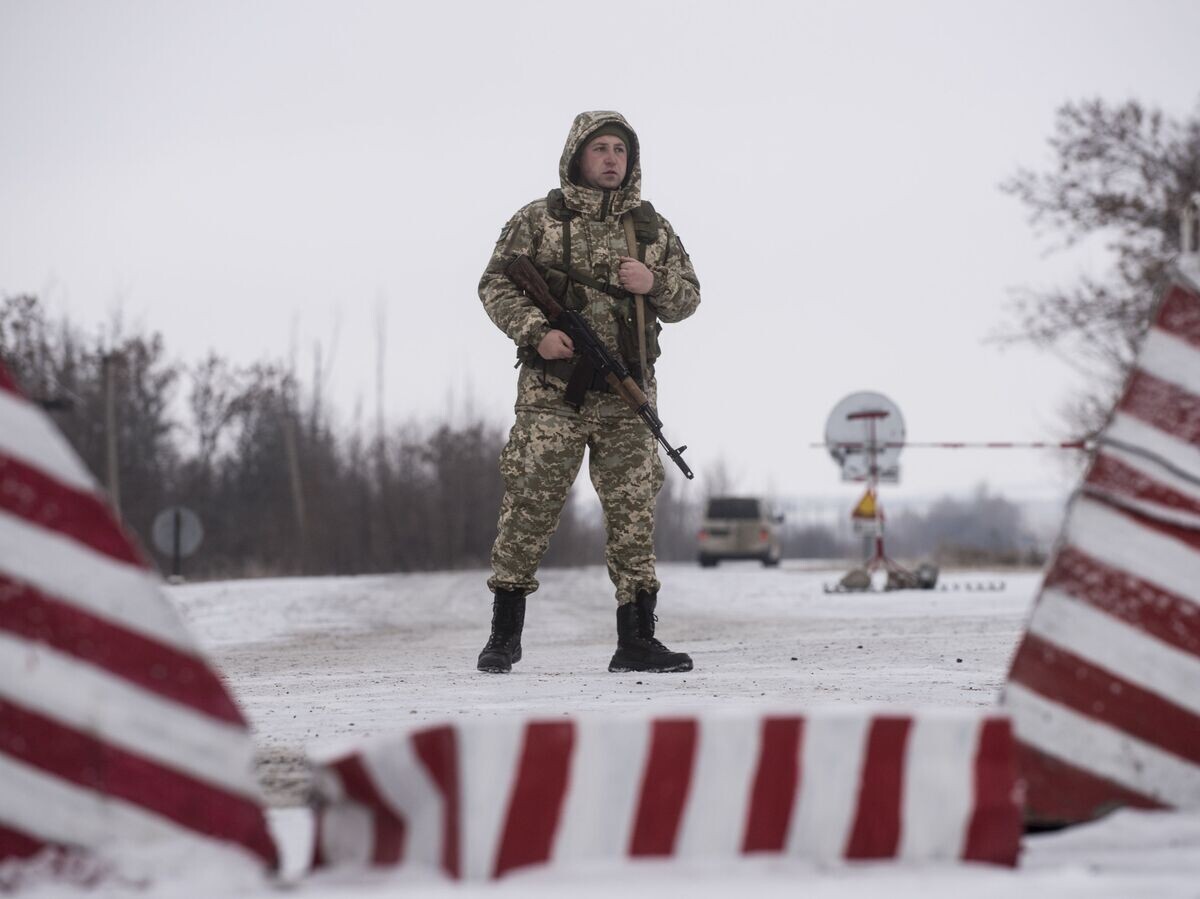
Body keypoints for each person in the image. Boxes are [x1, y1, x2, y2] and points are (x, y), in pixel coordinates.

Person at [476, 110, 701, 674]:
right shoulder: (539, 219)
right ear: (578, 154)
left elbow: (689, 297)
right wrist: (537, 334)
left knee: (632, 515)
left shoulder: (651, 229)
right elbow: (495, 283)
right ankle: (504, 635)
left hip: (627, 397)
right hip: (552, 395)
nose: (610, 159)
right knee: (529, 505)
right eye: (599, 148)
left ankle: (636, 640)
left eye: (619, 151)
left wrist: (654, 283)